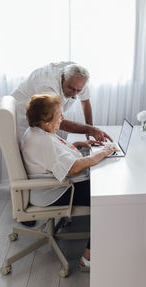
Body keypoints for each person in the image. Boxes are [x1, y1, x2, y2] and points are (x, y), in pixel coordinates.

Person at [20, 93, 118, 272]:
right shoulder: (43, 140)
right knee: (106, 199)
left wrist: (78, 145)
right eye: (59, 114)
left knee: (103, 182)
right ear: (46, 120)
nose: (63, 118)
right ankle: (88, 258)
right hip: (55, 192)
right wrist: (104, 152)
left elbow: (56, 152)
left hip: (54, 185)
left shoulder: (36, 131)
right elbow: (74, 168)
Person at [12, 61, 112, 143]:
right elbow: (55, 120)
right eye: (71, 89)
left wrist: (90, 131)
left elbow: (85, 101)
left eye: (78, 91)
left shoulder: (78, 78)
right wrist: (90, 129)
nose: (74, 94)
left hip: (43, 123)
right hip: (22, 118)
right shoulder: (47, 84)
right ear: (63, 77)